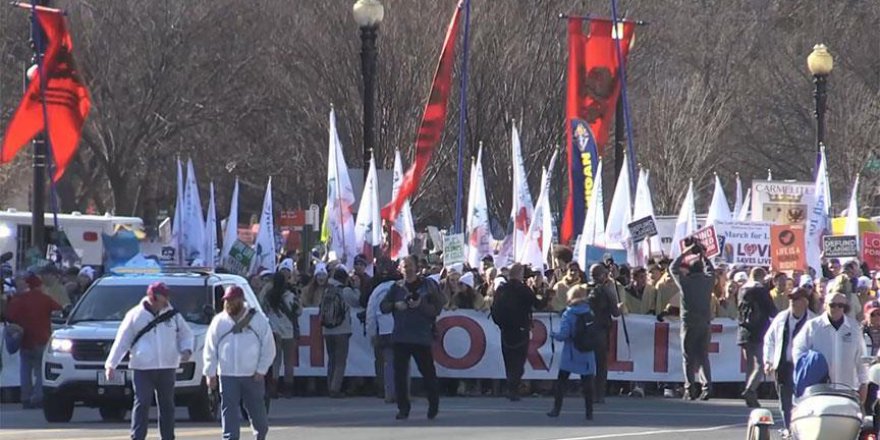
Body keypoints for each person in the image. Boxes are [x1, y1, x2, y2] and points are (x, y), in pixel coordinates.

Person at [105, 282, 194, 440]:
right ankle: (137, 436)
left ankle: (168, 436)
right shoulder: (135, 315)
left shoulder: (173, 315)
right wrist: (111, 364)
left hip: (167, 366)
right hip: (142, 367)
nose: (167, 299)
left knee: (167, 404)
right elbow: (122, 341)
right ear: (154, 296)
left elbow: (186, 334)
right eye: (163, 295)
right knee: (142, 403)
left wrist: (186, 349)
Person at [203, 286, 276, 440]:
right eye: (227, 300)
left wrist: (261, 370)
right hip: (227, 374)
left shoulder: (258, 319)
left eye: (232, 300)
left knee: (258, 413)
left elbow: (269, 347)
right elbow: (210, 348)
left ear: (241, 300)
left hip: (252, 375)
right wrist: (210, 373)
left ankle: (260, 435)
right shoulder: (219, 321)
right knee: (228, 411)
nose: (229, 303)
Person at [380, 255, 444, 420]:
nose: (407, 269)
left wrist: (421, 304)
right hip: (401, 336)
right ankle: (403, 408)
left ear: (416, 267)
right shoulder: (396, 287)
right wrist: (395, 305)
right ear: (400, 269)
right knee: (400, 375)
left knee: (428, 373)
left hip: (421, 336)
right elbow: (384, 306)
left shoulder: (428, 285)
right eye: (404, 266)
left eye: (410, 266)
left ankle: (433, 405)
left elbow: (437, 308)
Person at [793, 291, 868, 405]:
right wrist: (809, 369)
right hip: (818, 389)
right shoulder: (813, 326)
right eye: (832, 305)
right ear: (825, 305)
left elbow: (861, 358)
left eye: (840, 305)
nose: (836, 308)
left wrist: (864, 383)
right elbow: (798, 350)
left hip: (847, 388)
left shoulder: (854, 328)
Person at [763, 287, 815, 437]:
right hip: (783, 365)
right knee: (785, 401)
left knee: (803, 400)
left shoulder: (813, 321)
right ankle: (789, 429)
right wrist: (768, 360)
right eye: (791, 298)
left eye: (796, 299)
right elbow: (770, 339)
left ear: (805, 302)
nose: (792, 302)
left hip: (803, 367)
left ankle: (802, 430)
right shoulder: (781, 317)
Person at [5, 273, 62, 408]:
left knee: (25, 369)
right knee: (40, 370)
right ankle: (38, 397)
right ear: (39, 285)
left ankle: (25, 397)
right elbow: (59, 310)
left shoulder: (19, 299)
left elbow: (9, 315)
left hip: (24, 340)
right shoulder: (46, 299)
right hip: (42, 339)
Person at [491, 263, 546, 401]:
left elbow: (494, 308)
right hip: (521, 329)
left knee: (509, 360)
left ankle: (511, 386)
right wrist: (546, 296)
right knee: (519, 360)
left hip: (505, 329)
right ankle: (513, 389)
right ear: (520, 274)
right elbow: (537, 304)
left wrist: (501, 324)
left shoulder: (502, 289)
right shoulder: (523, 289)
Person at [669, 242, 715, 401]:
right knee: (703, 356)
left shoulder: (685, 283)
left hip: (689, 323)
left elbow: (672, 268)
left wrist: (686, 252)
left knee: (688, 358)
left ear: (689, 270)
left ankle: (690, 389)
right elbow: (711, 270)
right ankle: (707, 386)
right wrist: (704, 256)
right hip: (704, 323)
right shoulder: (709, 282)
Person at [546, 284, 596, 420]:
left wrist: (553, 335)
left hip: (571, 352)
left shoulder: (568, 314)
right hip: (587, 352)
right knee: (587, 384)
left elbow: (564, 335)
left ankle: (556, 409)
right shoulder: (590, 312)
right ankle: (589, 412)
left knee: (561, 381)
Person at [737, 267, 778, 408]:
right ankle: (750, 390)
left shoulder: (741, 290)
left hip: (743, 330)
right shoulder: (760, 291)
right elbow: (772, 310)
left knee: (749, 364)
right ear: (762, 277)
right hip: (758, 330)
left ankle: (750, 394)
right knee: (760, 364)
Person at [321, 267, 360, 398]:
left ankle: (329, 385)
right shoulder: (346, 291)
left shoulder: (327, 291)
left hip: (327, 329)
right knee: (340, 361)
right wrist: (356, 287)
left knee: (331, 359)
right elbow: (357, 301)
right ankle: (335, 388)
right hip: (342, 329)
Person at [366, 257, 400, 403]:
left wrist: (372, 333)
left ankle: (387, 392)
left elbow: (371, 314)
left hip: (384, 331)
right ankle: (401, 392)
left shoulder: (377, 291)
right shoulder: (400, 287)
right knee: (402, 363)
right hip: (400, 330)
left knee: (387, 363)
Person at [262, 271, 301, 399]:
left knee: (275, 361)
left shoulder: (268, 297)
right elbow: (299, 311)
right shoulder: (290, 296)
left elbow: (262, 309)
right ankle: (288, 389)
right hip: (289, 332)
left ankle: (273, 389)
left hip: (274, 332)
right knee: (289, 362)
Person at [586, 263, 622, 403]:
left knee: (587, 363)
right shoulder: (607, 291)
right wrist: (619, 307)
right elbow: (615, 313)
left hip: (587, 330)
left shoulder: (584, 289)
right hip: (601, 330)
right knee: (601, 364)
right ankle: (599, 394)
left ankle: (588, 390)